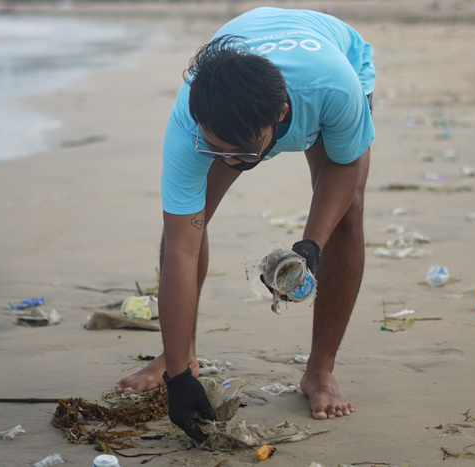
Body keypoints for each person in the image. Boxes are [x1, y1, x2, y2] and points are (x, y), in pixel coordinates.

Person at [117, 7, 375, 441]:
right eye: (217, 150)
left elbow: (345, 169)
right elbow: (182, 246)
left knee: (347, 214)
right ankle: (178, 355)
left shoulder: (333, 87)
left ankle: (320, 371)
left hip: (333, 58)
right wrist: (179, 379)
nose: (230, 163)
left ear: (281, 117)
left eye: (243, 155)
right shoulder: (189, 123)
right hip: (241, 92)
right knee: (187, 228)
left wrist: (311, 246)